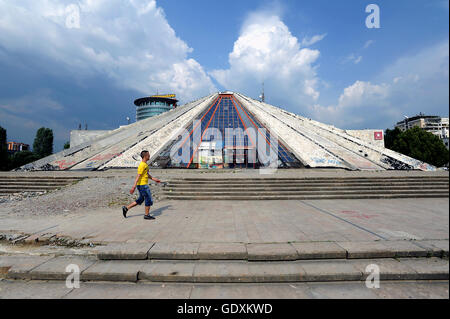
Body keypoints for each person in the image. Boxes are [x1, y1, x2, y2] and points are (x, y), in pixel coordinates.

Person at [122, 150, 161, 220]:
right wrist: (133, 187)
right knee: (148, 199)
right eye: (148, 155)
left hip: (142, 185)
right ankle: (146, 215)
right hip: (143, 186)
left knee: (140, 199)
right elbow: (138, 176)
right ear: (145, 156)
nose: (149, 156)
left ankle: (126, 208)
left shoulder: (145, 164)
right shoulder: (142, 165)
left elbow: (146, 174)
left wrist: (154, 179)